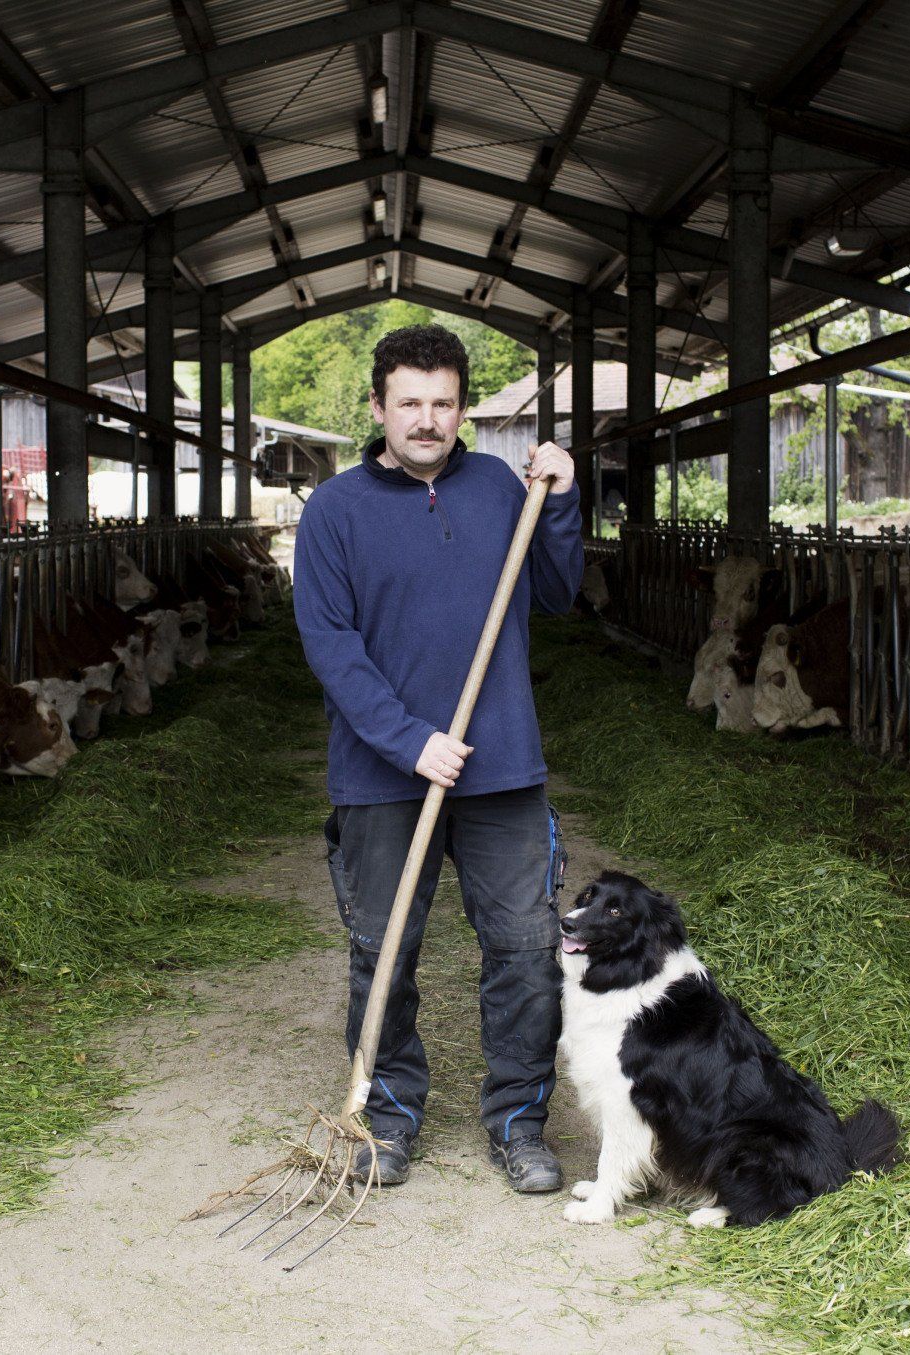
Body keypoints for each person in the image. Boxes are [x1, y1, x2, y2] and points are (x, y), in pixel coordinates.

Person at [293, 324, 583, 1192]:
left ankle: (519, 1119)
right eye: (410, 403)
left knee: (527, 948)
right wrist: (409, 739)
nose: (427, 419)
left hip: (501, 768)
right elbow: (329, 643)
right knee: (383, 949)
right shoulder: (334, 512)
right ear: (378, 406)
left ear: (464, 410)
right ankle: (386, 1115)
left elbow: (564, 593)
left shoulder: (503, 488)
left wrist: (562, 500)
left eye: (444, 403)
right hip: (383, 774)